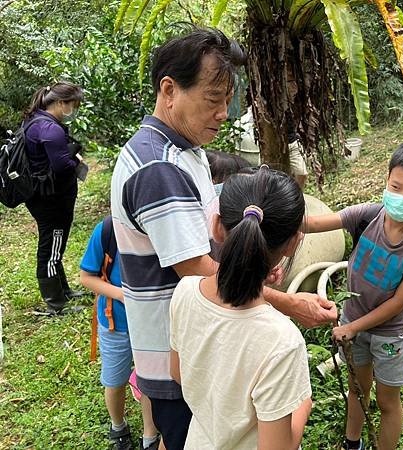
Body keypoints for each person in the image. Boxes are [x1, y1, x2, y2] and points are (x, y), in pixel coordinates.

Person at [110, 27, 335, 450]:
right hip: (185, 351)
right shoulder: (158, 169)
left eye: (227, 101)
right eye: (213, 100)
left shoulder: (183, 149)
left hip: (200, 344)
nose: (223, 114)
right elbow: (194, 268)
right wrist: (289, 303)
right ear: (169, 89)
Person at [305, 140, 403, 450]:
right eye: (396, 187)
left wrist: (353, 327)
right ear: (386, 179)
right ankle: (352, 442)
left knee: (388, 401)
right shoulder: (367, 215)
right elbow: (313, 223)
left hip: (388, 335)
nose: (401, 198)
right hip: (352, 324)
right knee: (357, 387)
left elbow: (398, 303)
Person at [170, 168, 312, 449]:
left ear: (217, 227)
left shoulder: (185, 291)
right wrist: (303, 408)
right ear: (294, 242)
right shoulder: (282, 340)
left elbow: (178, 373)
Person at [80, 217, 160, 450]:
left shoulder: (161, 228)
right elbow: (86, 277)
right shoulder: (107, 231)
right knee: (115, 381)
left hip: (152, 323)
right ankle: (118, 425)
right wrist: (122, 294)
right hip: (116, 323)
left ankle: (150, 435)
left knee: (149, 380)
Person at [23, 81, 86, 314]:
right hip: (52, 201)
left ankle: (63, 291)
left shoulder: (36, 121)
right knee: (51, 247)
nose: (74, 110)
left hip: (43, 197)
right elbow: (61, 167)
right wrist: (75, 160)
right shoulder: (50, 129)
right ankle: (56, 304)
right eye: (73, 105)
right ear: (60, 103)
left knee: (54, 246)